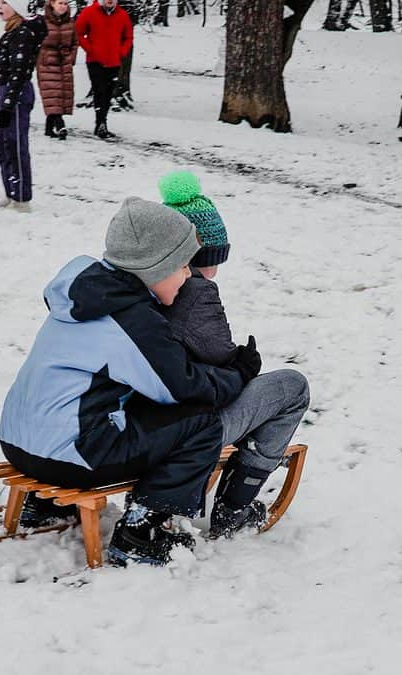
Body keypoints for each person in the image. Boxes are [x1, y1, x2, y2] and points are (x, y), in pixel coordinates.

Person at [0, 197, 261, 566]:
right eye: (183, 265)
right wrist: (240, 372)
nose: (188, 276)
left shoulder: (87, 297)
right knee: (200, 425)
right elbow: (182, 388)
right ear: (156, 266)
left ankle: (42, 506)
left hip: (17, 440)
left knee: (119, 408)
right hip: (72, 457)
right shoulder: (130, 318)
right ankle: (144, 531)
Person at [156, 170, 310, 538]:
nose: (217, 268)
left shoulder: (138, 283)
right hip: (186, 427)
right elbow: (222, 363)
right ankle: (235, 505)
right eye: (215, 258)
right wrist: (244, 362)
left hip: (143, 417)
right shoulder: (195, 293)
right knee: (291, 387)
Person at [0, 0, 47, 212]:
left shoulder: (22, 34)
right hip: (6, 91)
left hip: (15, 94)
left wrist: (8, 104)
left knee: (15, 145)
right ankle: (11, 190)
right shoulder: (12, 32)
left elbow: (20, 72)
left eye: (4, 3)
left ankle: (22, 197)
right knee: (2, 146)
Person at [75, 0, 131, 139]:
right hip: (95, 61)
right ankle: (100, 123)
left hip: (114, 62)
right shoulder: (89, 12)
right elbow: (79, 33)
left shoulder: (122, 15)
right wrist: (90, 49)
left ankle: (102, 122)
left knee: (107, 93)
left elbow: (128, 37)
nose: (109, 0)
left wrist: (121, 52)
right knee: (99, 90)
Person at [37, 0, 77, 140]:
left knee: (59, 95)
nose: (63, 6)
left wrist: (71, 57)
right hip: (47, 62)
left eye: (66, 3)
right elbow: (36, 41)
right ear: (52, 4)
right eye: (60, 3)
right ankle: (60, 124)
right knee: (52, 94)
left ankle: (49, 128)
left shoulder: (70, 22)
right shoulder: (42, 22)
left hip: (64, 61)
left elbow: (74, 42)